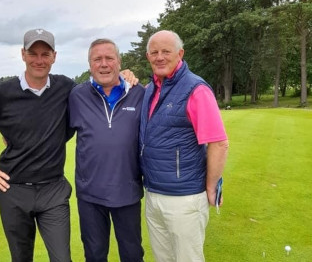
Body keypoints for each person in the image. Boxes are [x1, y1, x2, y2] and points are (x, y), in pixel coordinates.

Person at [0, 28, 75, 262]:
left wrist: (124, 74)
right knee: (21, 258)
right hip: (14, 191)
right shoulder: (2, 93)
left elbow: (97, 93)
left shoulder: (66, 87)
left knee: (62, 259)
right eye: (33, 53)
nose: (39, 60)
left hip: (53, 190)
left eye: (45, 54)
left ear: (54, 56)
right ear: (23, 54)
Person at [139, 30, 229, 262]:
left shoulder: (195, 89)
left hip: (185, 198)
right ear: (148, 56)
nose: (159, 57)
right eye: (154, 52)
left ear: (180, 54)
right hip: (153, 194)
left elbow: (219, 143)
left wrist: (210, 187)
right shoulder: (150, 89)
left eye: (166, 51)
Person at [68, 39, 145, 262]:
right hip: (90, 194)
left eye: (109, 58)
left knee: (132, 255)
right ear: (89, 64)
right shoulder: (77, 95)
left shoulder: (139, 93)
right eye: (97, 59)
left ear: (119, 62)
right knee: (94, 255)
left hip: (127, 191)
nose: (103, 64)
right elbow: (54, 129)